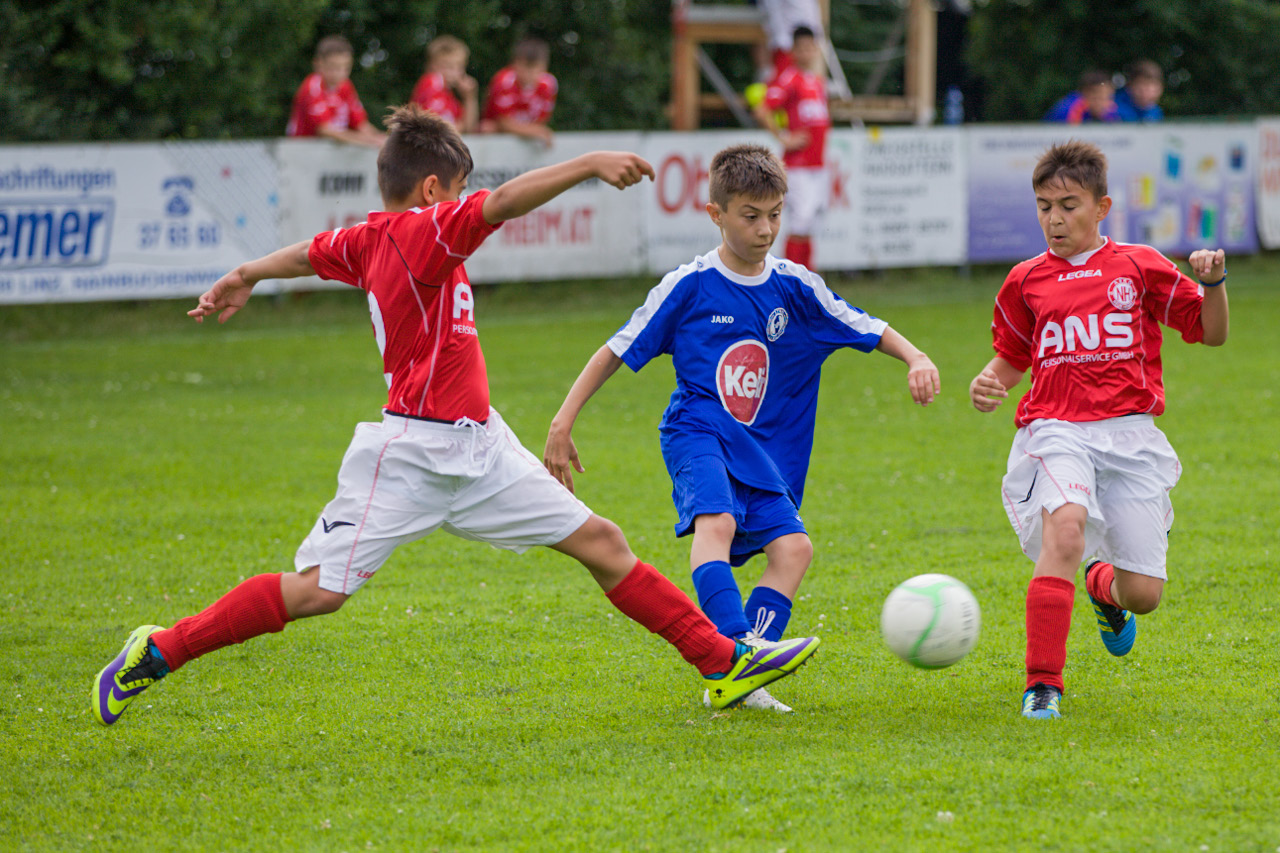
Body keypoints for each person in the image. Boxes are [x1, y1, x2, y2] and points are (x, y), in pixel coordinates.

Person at [92, 106, 820, 727]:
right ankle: (159, 649)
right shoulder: (422, 231)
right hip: (414, 454)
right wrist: (587, 163)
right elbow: (502, 204)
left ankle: (723, 662)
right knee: (317, 590)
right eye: (458, 189)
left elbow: (308, 255)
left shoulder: (367, 237)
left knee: (602, 541)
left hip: (481, 445)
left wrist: (247, 272)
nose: (464, 201)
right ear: (434, 190)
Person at [544, 144, 939, 712]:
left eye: (775, 214)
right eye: (751, 216)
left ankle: (741, 671)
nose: (766, 229)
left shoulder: (795, 286)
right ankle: (737, 653)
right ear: (716, 214)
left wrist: (916, 357)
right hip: (696, 430)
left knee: (795, 550)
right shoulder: (690, 285)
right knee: (719, 522)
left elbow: (866, 325)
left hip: (760, 451)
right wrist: (564, 420)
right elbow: (616, 349)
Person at [967, 140, 1229, 720]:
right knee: (1065, 532)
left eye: (1069, 206)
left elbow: (1211, 334)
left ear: (1101, 207)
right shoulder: (1024, 280)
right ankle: (1043, 684)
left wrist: (1213, 284)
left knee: (1144, 595)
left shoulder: (1139, 265)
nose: (1055, 219)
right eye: (1044, 207)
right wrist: (990, 381)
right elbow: (1013, 356)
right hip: (1056, 428)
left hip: (1130, 435)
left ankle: (1101, 585)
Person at [753, 26, 830, 271]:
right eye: (802, 48)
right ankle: (792, 278)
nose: (807, 52)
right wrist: (784, 138)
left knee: (811, 223)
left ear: (816, 49)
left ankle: (807, 278)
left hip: (818, 165)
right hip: (798, 165)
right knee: (800, 221)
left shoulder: (816, 82)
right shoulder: (789, 79)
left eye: (811, 47)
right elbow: (762, 110)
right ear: (794, 51)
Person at [286, 35, 386, 147]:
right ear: (318, 63)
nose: (340, 73)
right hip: (302, 151)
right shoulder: (312, 87)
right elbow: (325, 130)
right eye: (333, 67)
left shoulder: (346, 86)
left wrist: (381, 138)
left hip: (330, 151)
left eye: (346, 67)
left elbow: (361, 124)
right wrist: (369, 141)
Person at [480, 37, 557, 146]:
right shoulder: (504, 81)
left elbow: (541, 120)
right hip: (496, 137)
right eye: (525, 67)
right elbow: (504, 123)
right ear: (515, 63)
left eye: (535, 68)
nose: (530, 73)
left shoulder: (549, 84)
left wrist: (534, 130)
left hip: (516, 135)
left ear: (544, 67)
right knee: (486, 128)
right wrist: (536, 131)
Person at [409, 35, 479, 132]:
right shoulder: (432, 81)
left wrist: (469, 98)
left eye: (459, 67)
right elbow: (438, 128)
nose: (454, 73)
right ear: (432, 66)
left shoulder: (450, 98)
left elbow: (469, 128)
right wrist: (460, 127)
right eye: (448, 66)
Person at [1044, 70, 1120, 124]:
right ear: (1085, 94)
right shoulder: (1070, 110)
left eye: (1109, 97)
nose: (1104, 103)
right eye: (1099, 97)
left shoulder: (1111, 110)